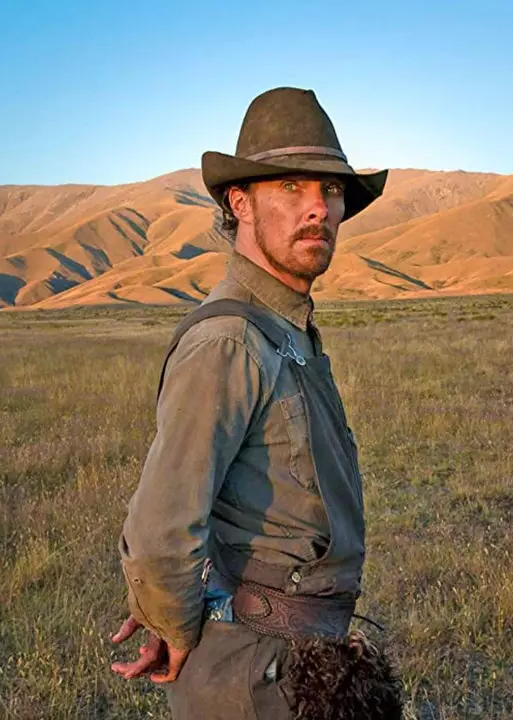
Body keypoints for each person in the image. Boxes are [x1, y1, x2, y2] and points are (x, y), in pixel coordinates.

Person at [110, 87, 401, 719]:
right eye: (291, 188)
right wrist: (177, 626)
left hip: (299, 662)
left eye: (329, 190)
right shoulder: (229, 341)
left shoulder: (287, 327)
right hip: (254, 680)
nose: (318, 209)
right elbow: (160, 533)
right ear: (239, 202)